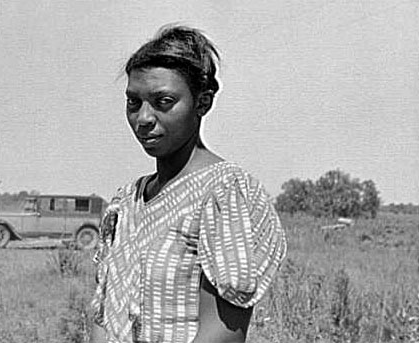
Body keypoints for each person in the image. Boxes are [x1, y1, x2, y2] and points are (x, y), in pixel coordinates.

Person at [90, 25, 287, 343]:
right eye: (133, 102)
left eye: (163, 101)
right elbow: (103, 316)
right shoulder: (125, 203)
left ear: (202, 103)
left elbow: (223, 334)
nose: (144, 118)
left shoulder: (223, 193)